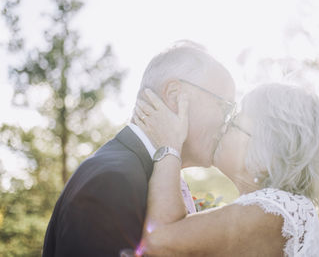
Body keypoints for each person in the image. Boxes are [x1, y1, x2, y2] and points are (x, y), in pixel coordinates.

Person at [42, 41, 236, 256]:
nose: (226, 123)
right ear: (174, 96)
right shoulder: (112, 182)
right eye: (223, 106)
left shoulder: (148, 173)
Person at [135, 83, 319, 256]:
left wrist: (169, 145)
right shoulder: (276, 210)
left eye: (234, 123)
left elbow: (158, 243)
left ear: (267, 150)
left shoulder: (276, 210)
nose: (222, 127)